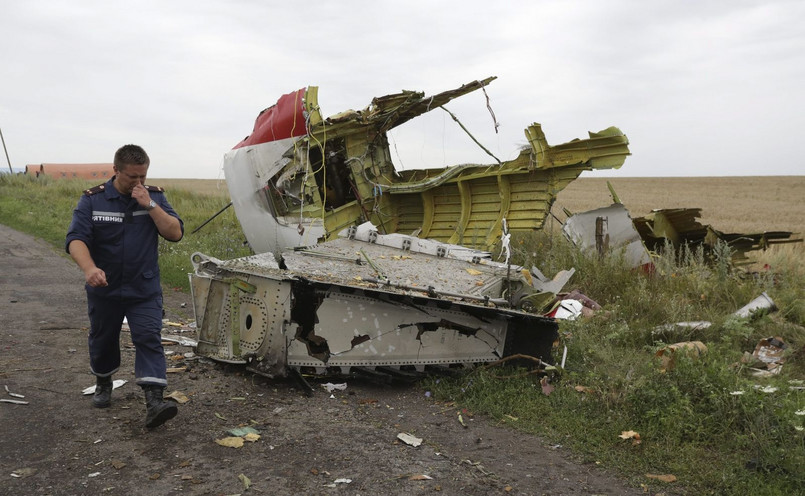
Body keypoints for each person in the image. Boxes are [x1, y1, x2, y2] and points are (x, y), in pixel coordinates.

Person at [66, 144, 184, 429]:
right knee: (103, 338)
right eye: (132, 177)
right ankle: (104, 381)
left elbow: (175, 233)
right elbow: (76, 239)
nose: (138, 182)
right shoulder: (93, 200)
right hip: (104, 288)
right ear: (115, 170)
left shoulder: (154, 197)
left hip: (143, 288)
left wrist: (150, 205)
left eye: (143, 176)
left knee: (148, 336)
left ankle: (154, 401)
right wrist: (89, 268)